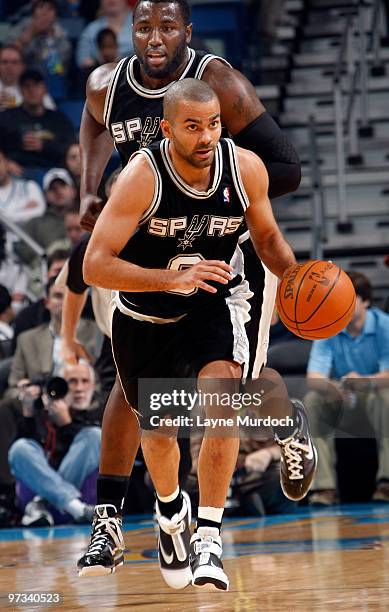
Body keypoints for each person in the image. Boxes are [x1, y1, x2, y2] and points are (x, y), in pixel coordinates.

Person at [74, 0, 309, 576]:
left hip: (225, 249)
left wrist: (209, 189)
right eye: (143, 27)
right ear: (130, 32)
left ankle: (281, 426)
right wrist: (92, 186)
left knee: (232, 389)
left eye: (167, 27)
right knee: (130, 386)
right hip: (147, 248)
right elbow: (92, 121)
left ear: (187, 32)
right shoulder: (108, 85)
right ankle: (113, 520)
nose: (155, 38)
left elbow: (286, 167)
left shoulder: (218, 82)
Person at [305, 271, 389, 505]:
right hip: (343, 399)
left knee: (386, 395)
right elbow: (314, 377)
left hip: (374, 399)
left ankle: (386, 482)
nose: (340, 306)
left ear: (366, 302)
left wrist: (367, 381)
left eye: (348, 301)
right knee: (313, 399)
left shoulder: (384, 325)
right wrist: (332, 387)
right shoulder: (329, 326)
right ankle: (324, 488)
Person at [8, 361, 102, 526]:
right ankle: (75, 508)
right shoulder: (41, 413)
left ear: (94, 386)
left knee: (94, 436)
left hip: (43, 510)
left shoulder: (100, 411)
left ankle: (42, 502)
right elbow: (21, 462)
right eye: (72, 381)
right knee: (20, 448)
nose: (79, 388)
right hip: (78, 511)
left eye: (85, 381)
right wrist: (28, 413)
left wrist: (66, 425)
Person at [8, 278, 97, 392]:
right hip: (41, 404)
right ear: (47, 302)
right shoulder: (27, 340)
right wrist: (25, 393)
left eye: (71, 296)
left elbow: (106, 385)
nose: (65, 301)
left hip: (87, 404)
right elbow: (12, 388)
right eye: (58, 296)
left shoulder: (98, 334)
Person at [0, 69, 76, 174]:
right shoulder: (7, 117)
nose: (32, 90)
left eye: (36, 85)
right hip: (17, 173)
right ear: (21, 91)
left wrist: (44, 146)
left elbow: (71, 149)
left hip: (55, 173)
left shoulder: (59, 119)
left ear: (44, 89)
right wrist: (6, 163)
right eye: (27, 86)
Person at [8, 0, 72, 81]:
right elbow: (7, 57)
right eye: (40, 7)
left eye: (50, 9)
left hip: (48, 82)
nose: (44, 12)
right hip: (20, 79)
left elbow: (56, 71)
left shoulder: (61, 38)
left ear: (56, 16)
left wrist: (50, 40)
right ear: (33, 12)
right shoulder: (20, 28)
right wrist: (28, 36)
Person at [76, 0, 133, 70]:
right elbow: (82, 60)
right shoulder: (91, 29)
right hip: (101, 75)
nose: (111, 0)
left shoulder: (140, 24)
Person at [0, 44, 56, 112]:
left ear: (23, 67)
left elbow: (50, 118)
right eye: (4, 62)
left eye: (14, 62)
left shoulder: (35, 90)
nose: (9, 67)